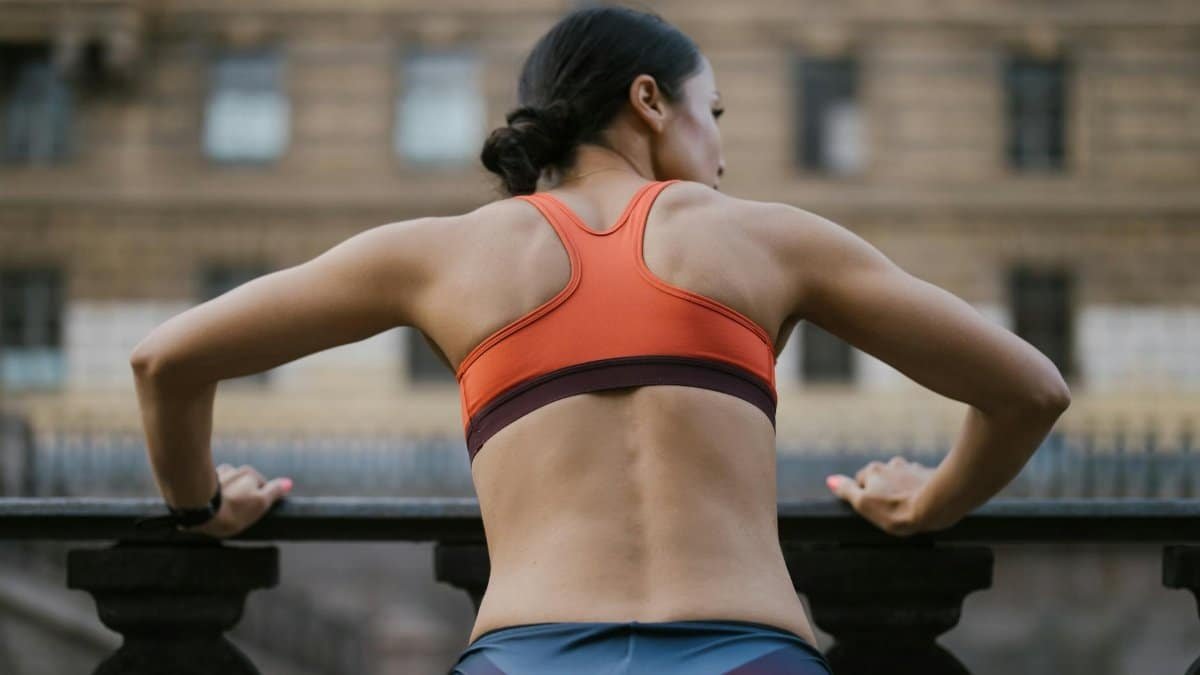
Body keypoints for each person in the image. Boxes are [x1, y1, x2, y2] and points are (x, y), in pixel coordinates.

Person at [128, 6, 1071, 674]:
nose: (723, 151)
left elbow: (165, 359)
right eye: (717, 114)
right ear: (651, 100)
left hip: (527, 655)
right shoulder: (770, 237)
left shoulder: (438, 253)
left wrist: (199, 507)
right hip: (744, 653)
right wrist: (928, 506)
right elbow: (1029, 391)